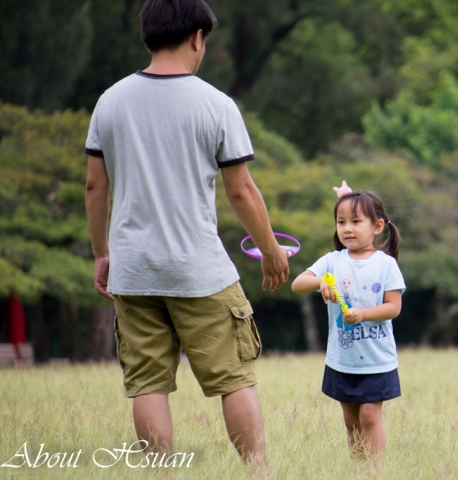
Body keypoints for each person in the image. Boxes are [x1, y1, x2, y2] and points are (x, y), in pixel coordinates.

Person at [84, 0, 290, 465]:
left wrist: (103, 253)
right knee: (234, 377)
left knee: (148, 384)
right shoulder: (216, 103)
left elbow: (96, 185)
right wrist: (271, 249)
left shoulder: (110, 100)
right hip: (199, 271)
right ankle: (257, 474)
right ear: (198, 36)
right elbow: (241, 191)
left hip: (133, 270)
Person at [291, 187, 405, 459]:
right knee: (351, 421)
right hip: (342, 359)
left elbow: (394, 307)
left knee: (369, 416)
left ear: (377, 226)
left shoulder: (385, 264)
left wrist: (363, 314)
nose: (347, 229)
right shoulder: (332, 261)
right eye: (341, 222)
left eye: (356, 221)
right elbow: (298, 284)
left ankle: (375, 473)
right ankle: (359, 470)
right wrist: (322, 282)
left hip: (377, 360)